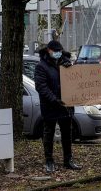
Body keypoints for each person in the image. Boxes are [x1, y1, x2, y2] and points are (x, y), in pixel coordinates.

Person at [34, 40, 81, 173]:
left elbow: (73, 81)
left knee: (67, 134)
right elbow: (41, 87)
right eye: (56, 51)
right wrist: (54, 100)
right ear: (49, 51)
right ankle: (49, 161)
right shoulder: (41, 66)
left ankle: (68, 160)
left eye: (60, 51)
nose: (58, 54)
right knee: (48, 134)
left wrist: (69, 68)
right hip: (50, 106)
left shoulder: (65, 64)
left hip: (66, 105)